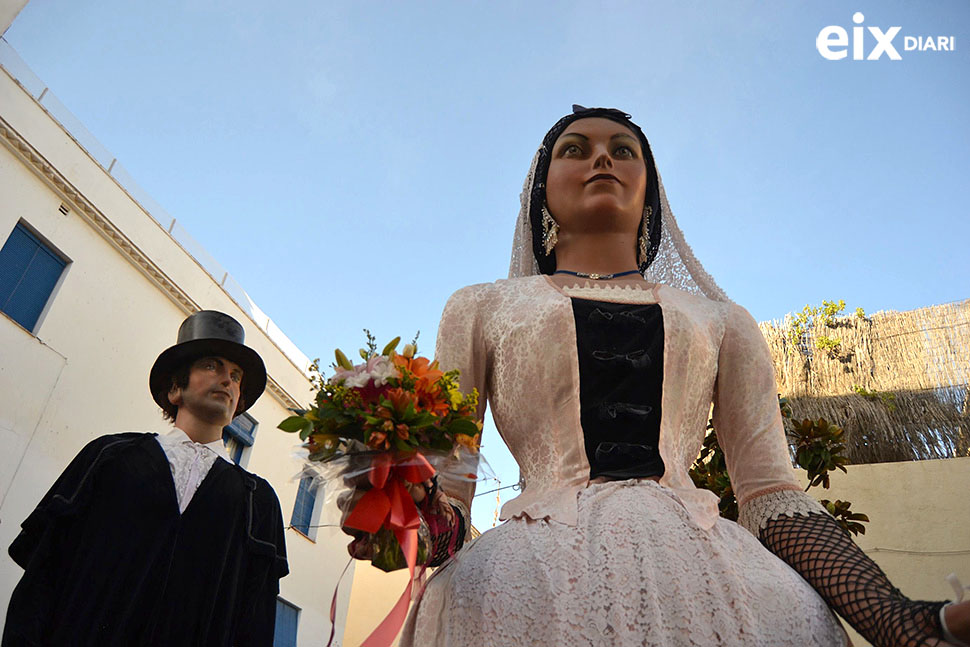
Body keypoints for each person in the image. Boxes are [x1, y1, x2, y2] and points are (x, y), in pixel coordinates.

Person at [386, 106, 970, 646]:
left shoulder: (721, 321)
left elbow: (771, 493)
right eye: (574, 149)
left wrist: (897, 619)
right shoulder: (480, 307)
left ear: (650, 189)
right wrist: (402, 517)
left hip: (721, 580)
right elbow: (450, 497)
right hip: (522, 586)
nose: (602, 159)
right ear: (542, 189)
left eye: (623, 149)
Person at [3, 310, 288, 646]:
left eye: (236, 375)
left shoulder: (259, 500)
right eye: (212, 365)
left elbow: (254, 624)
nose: (228, 380)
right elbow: (43, 579)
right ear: (174, 389)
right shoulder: (109, 457)